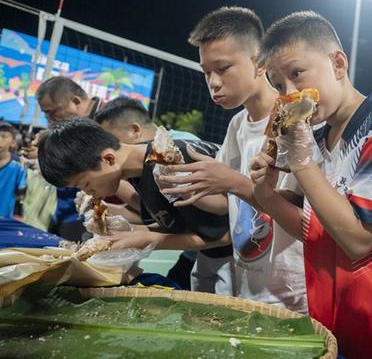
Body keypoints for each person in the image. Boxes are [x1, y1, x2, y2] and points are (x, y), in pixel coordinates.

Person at [249, 11, 372, 358]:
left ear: (338, 64)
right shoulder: (316, 139)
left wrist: (304, 163)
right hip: (336, 326)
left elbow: (358, 241)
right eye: (279, 86)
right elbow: (316, 230)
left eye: (297, 75)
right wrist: (264, 194)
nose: (289, 94)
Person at [159, 6, 307, 312]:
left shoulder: (294, 120)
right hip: (246, 285)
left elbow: (297, 214)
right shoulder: (238, 125)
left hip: (290, 294)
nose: (212, 82)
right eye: (206, 72)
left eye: (223, 69)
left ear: (259, 61)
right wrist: (184, 187)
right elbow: (231, 205)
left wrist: (232, 181)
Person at [36, 117, 235, 295]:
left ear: (108, 158)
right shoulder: (138, 172)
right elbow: (171, 221)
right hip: (213, 259)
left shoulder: (171, 164)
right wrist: (125, 234)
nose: (89, 192)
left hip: (242, 262)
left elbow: (224, 235)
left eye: (85, 184)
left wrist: (148, 240)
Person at [93, 96, 206, 290]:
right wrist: (107, 207)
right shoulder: (144, 161)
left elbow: (214, 230)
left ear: (135, 130)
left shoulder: (177, 150)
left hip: (217, 252)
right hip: (195, 253)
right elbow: (155, 211)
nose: (107, 152)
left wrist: (148, 237)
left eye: (111, 143)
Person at [33, 76, 103, 241]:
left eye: (51, 112)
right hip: (62, 213)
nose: (49, 120)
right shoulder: (70, 128)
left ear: (76, 102)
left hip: (89, 222)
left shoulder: (107, 123)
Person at [0, 122, 26, 218]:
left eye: (4, 136)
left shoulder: (18, 167)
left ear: (13, 142)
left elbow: (21, 191)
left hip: (3, 219)